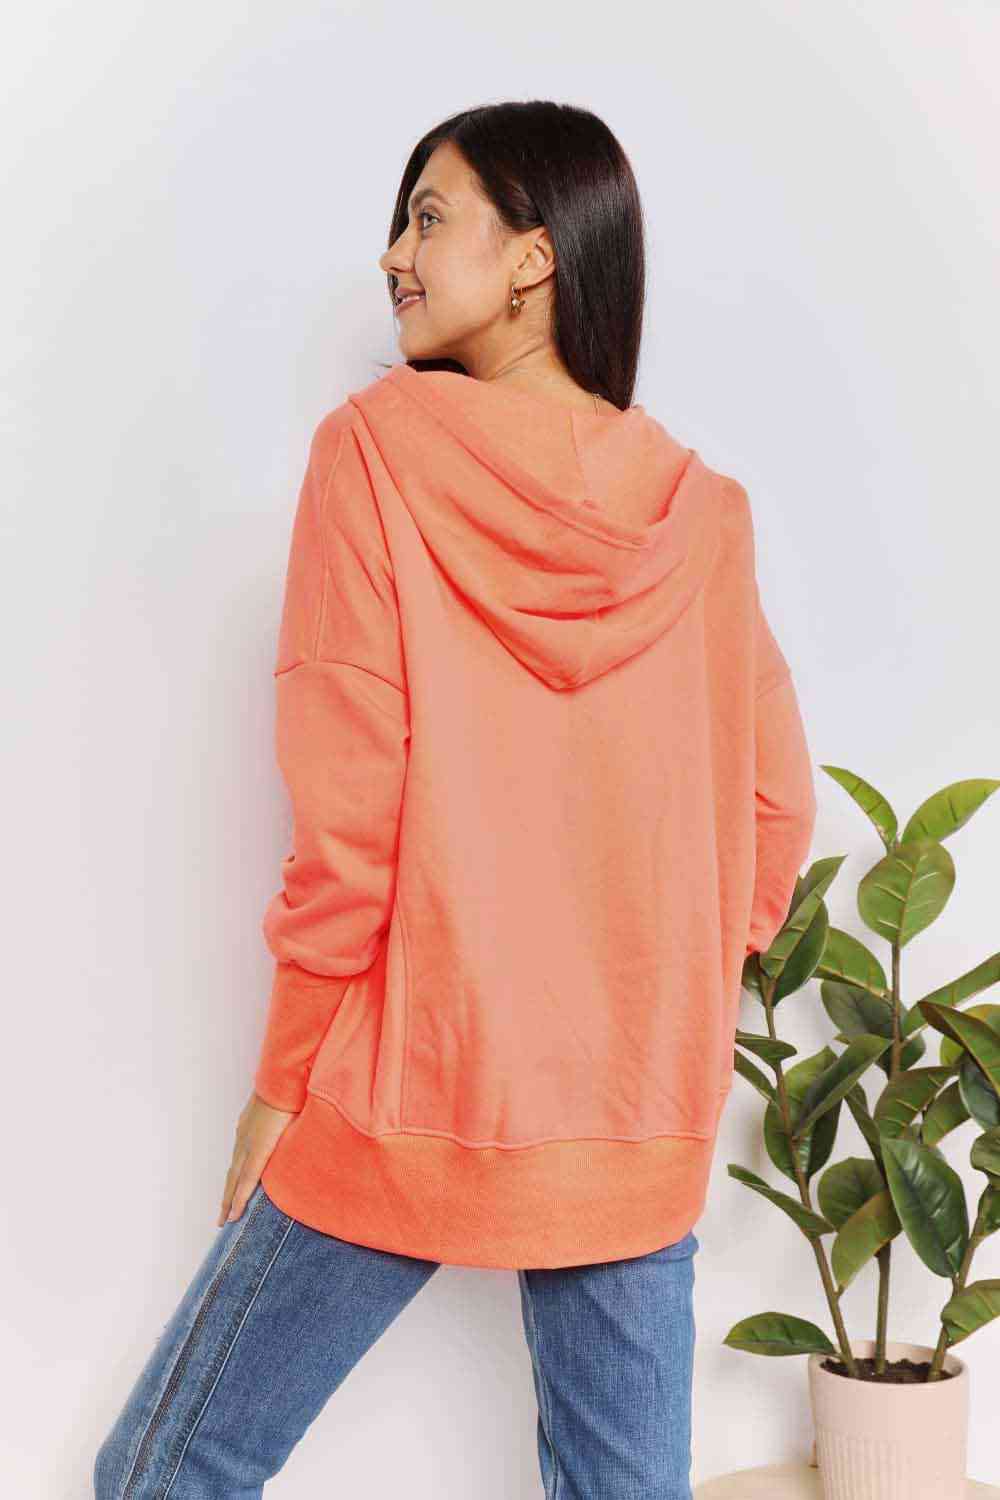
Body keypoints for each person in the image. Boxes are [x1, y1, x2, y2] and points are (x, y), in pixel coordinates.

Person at [93, 100, 816, 1500]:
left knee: (161, 1475)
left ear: (536, 257)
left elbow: (350, 827)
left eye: (429, 217)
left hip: (411, 1087)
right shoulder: (701, 513)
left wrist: (279, 1086)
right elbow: (775, 807)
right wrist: (654, 996)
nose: (394, 255)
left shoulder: (375, 454)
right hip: (634, 1110)